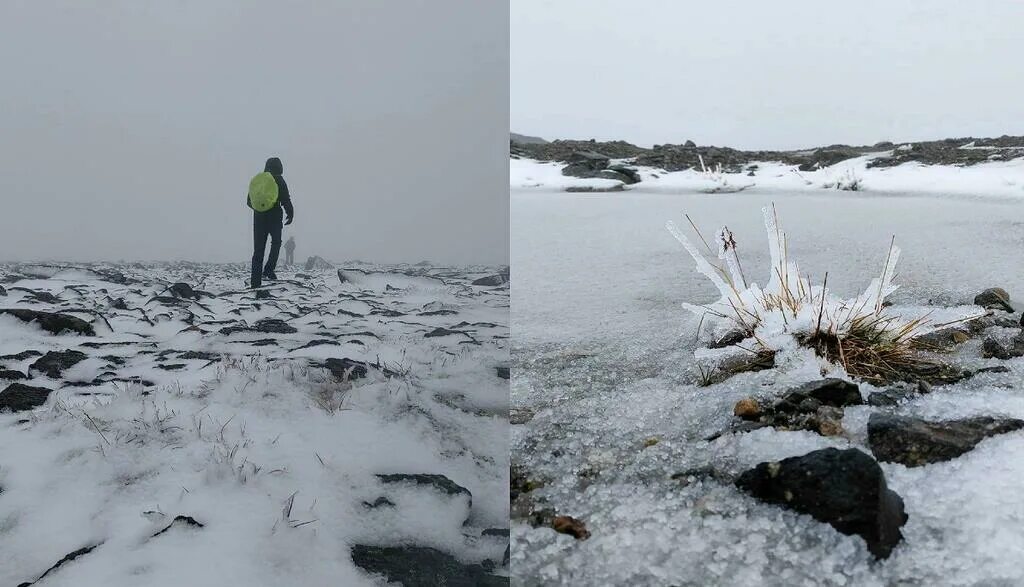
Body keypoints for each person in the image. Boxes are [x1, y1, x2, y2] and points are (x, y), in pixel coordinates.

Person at [248, 157, 294, 289]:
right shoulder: (279, 179)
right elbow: (286, 199)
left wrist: (261, 208)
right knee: (276, 243)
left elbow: (249, 201)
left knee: (258, 250)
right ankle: (268, 270)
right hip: (275, 216)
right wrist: (290, 214)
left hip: (258, 217)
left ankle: (255, 282)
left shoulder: (259, 181)